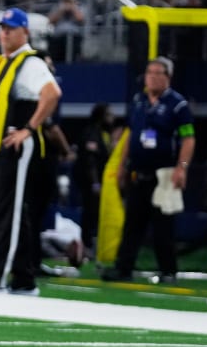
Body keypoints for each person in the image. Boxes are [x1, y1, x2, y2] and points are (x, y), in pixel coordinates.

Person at [0, 7, 62, 295]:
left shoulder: (30, 63)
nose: (4, 32)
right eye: (1, 28)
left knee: (9, 212)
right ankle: (23, 278)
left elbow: (52, 93)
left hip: (14, 145)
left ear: (24, 32)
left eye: (10, 28)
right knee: (11, 211)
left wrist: (28, 128)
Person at [104, 58, 194, 283]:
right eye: (149, 72)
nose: (152, 77)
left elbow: (188, 139)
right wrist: (123, 165)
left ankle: (168, 271)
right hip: (138, 172)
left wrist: (182, 168)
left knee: (163, 226)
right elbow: (130, 136)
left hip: (164, 174)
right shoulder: (138, 101)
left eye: (158, 73)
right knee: (132, 223)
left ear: (168, 77)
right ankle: (123, 268)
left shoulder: (178, 105)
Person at [74, 103, 114, 257]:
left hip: (100, 181)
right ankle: (87, 246)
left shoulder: (104, 134)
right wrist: (95, 183)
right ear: (101, 116)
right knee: (90, 212)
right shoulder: (91, 133)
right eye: (109, 115)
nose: (112, 118)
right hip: (90, 182)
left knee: (96, 213)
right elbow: (90, 161)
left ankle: (95, 245)